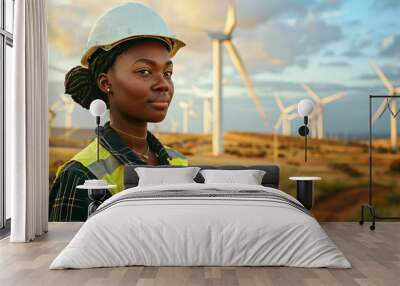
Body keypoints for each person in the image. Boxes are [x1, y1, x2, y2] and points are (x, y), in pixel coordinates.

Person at [49, 3, 188, 222]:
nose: (164, 85)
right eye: (144, 71)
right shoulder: (80, 174)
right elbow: (64, 249)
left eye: (168, 73)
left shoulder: (180, 163)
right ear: (106, 83)